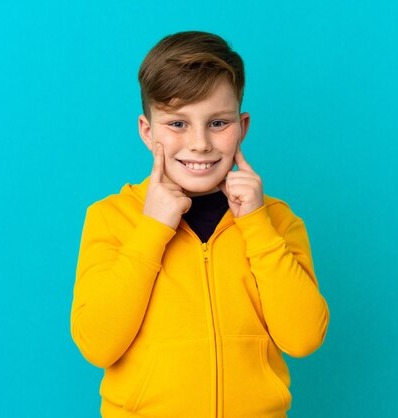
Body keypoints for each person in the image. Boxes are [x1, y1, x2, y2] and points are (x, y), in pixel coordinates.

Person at [70, 30, 329, 418]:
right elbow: (98, 344)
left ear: (242, 126)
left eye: (218, 123)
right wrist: (151, 231)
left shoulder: (277, 220)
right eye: (177, 124)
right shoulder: (112, 218)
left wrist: (257, 226)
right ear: (147, 130)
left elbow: (304, 337)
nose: (200, 143)